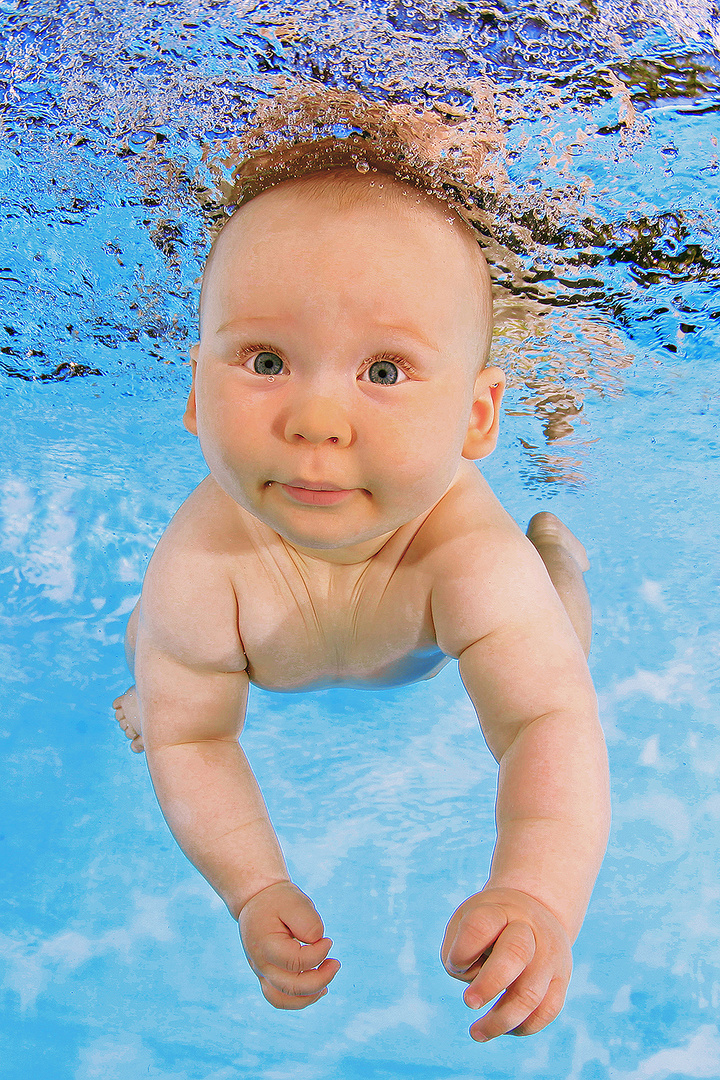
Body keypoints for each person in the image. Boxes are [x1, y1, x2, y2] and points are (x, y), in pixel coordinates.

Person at [113, 163, 610, 1043]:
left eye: (384, 370)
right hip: (245, 641)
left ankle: (556, 557)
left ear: (476, 418)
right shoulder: (201, 566)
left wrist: (536, 891)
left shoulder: (465, 560)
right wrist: (254, 887)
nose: (315, 418)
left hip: (441, 630)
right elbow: (193, 739)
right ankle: (165, 669)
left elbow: (545, 724)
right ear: (195, 391)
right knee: (162, 670)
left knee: (558, 647)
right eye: (266, 361)